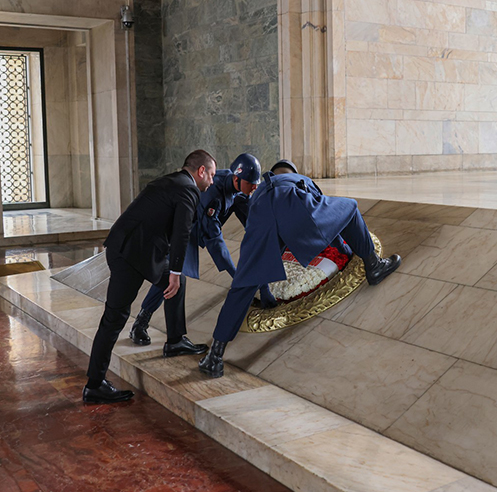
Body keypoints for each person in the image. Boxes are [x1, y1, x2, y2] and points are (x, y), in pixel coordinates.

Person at [197, 161, 401, 378]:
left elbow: (261, 249)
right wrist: (345, 249)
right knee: (348, 207)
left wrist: (262, 287)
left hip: (261, 215)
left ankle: (215, 356)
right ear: (292, 171)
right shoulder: (300, 180)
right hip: (291, 203)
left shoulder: (258, 192)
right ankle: (374, 266)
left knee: (242, 286)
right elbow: (330, 225)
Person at [82, 150, 216, 404]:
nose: (211, 182)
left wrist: (175, 274)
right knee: (114, 318)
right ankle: (95, 384)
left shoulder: (173, 181)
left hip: (135, 249)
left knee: (177, 281)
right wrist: (174, 271)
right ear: (200, 171)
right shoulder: (188, 190)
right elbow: (181, 235)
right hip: (131, 255)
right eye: (210, 175)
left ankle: (175, 340)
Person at [128, 153, 278, 346]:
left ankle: (166, 336)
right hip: (175, 231)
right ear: (236, 178)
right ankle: (141, 323)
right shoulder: (213, 194)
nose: (255, 187)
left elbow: (253, 227)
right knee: (168, 278)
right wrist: (239, 278)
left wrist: (263, 285)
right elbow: (214, 240)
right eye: (251, 183)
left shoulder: (241, 189)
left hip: (193, 228)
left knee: (173, 279)